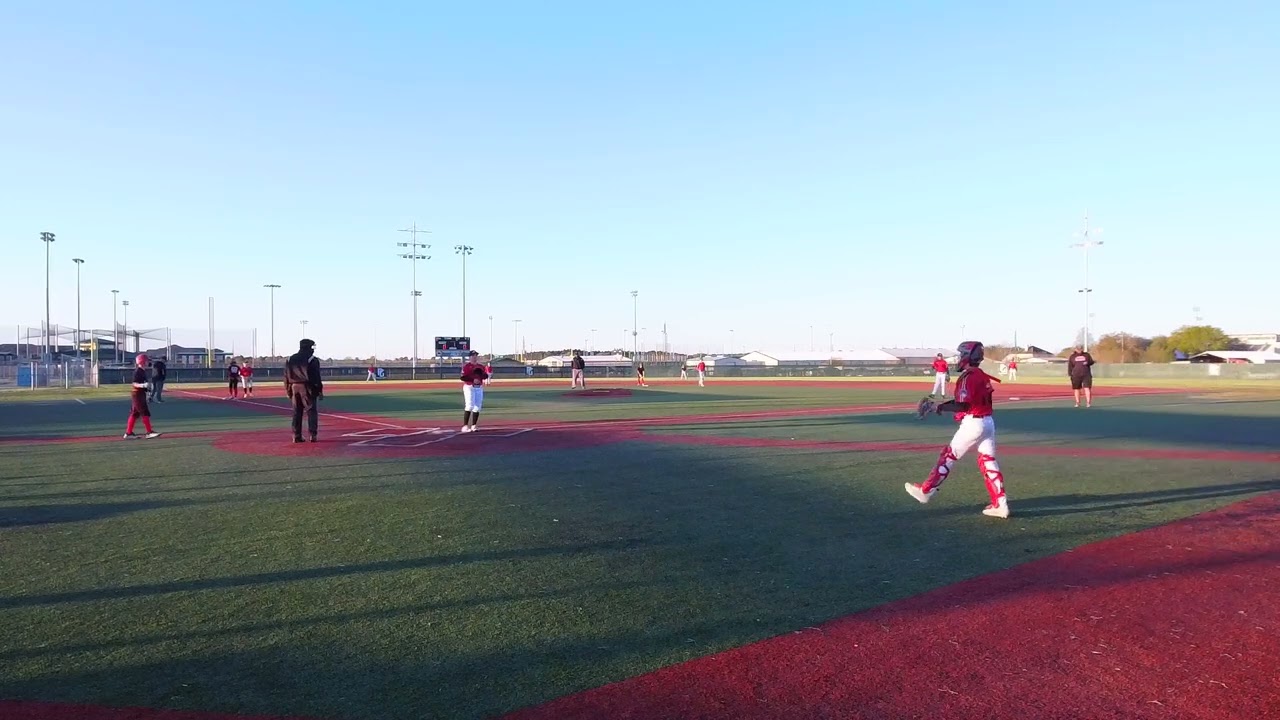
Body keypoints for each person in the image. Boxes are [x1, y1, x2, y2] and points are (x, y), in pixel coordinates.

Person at [905, 341, 1009, 519]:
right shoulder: (981, 374)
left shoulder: (969, 376)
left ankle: (926, 491)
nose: (960, 358)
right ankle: (1000, 504)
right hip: (987, 422)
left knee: (949, 456)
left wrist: (938, 407)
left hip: (974, 423)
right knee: (988, 460)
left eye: (962, 355)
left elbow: (962, 404)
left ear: (968, 356)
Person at [284, 339, 323, 443]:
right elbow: (316, 377)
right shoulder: (312, 359)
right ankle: (312, 435)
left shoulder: (290, 359)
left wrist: (288, 390)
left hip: (294, 386)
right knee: (311, 411)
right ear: (308, 347)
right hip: (307, 387)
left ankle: (296, 435)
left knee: (297, 412)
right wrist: (319, 390)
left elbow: (286, 376)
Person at [124, 353, 162, 439]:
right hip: (137, 394)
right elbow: (134, 383)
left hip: (139, 394)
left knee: (134, 413)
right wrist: (143, 385)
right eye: (147, 360)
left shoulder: (142, 371)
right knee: (145, 412)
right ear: (143, 361)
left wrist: (148, 390)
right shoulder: (138, 371)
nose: (148, 362)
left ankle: (128, 433)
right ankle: (149, 432)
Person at [460, 350, 489, 433]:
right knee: (469, 405)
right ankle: (465, 426)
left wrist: (482, 375)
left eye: (476, 355)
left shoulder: (481, 366)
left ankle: (474, 425)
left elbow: (485, 375)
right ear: (470, 357)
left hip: (478, 387)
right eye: (473, 355)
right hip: (469, 387)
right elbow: (462, 377)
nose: (475, 357)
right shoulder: (466, 366)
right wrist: (473, 379)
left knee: (478, 406)